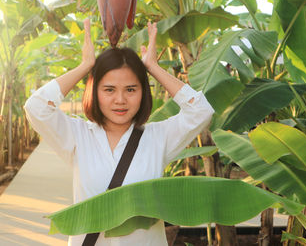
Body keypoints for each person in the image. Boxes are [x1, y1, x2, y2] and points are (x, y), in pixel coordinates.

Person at [24, 19, 215, 246]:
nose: (120, 100)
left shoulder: (158, 137)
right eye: (109, 90)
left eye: (131, 89)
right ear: (94, 92)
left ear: (143, 92)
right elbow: (36, 107)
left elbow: (201, 111)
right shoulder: (78, 135)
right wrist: (85, 66)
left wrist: (153, 67)